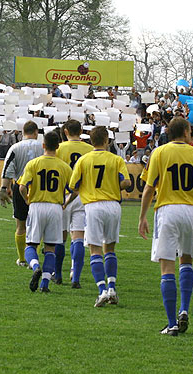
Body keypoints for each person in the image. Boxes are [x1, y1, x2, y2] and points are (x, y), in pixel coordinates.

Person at [138, 117, 193, 336]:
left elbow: (148, 188)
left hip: (167, 209)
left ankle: (171, 323)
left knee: (167, 267)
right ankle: (184, 309)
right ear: (186, 132)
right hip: (191, 210)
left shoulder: (159, 153)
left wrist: (142, 217)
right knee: (186, 261)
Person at [66, 126, 131, 307]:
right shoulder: (116, 159)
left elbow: (73, 185)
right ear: (107, 141)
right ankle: (112, 288)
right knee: (109, 249)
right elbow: (127, 182)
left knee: (94, 250)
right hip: (113, 205)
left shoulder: (84, 160)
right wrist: (113, 186)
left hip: (93, 205)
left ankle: (102, 290)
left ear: (91, 142)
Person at [17, 131, 72, 292]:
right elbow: (74, 190)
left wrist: (27, 198)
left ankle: (35, 267)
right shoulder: (64, 166)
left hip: (37, 205)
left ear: (43, 145)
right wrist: (66, 202)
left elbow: (22, 187)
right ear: (58, 147)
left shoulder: (33, 164)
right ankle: (45, 284)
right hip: (55, 208)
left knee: (31, 245)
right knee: (50, 248)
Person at [0, 121, 44, 267]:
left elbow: (7, 169)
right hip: (40, 189)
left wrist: (3, 188)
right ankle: (34, 257)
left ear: (23, 132)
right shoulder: (42, 146)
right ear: (36, 132)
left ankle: (22, 259)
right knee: (38, 226)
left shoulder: (15, 147)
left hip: (20, 187)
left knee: (20, 225)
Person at [56, 119, 94, 288]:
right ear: (81, 131)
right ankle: (76, 276)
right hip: (82, 196)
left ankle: (57, 275)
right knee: (78, 238)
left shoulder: (59, 148)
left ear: (65, 132)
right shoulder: (90, 149)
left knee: (59, 238)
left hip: (62, 195)